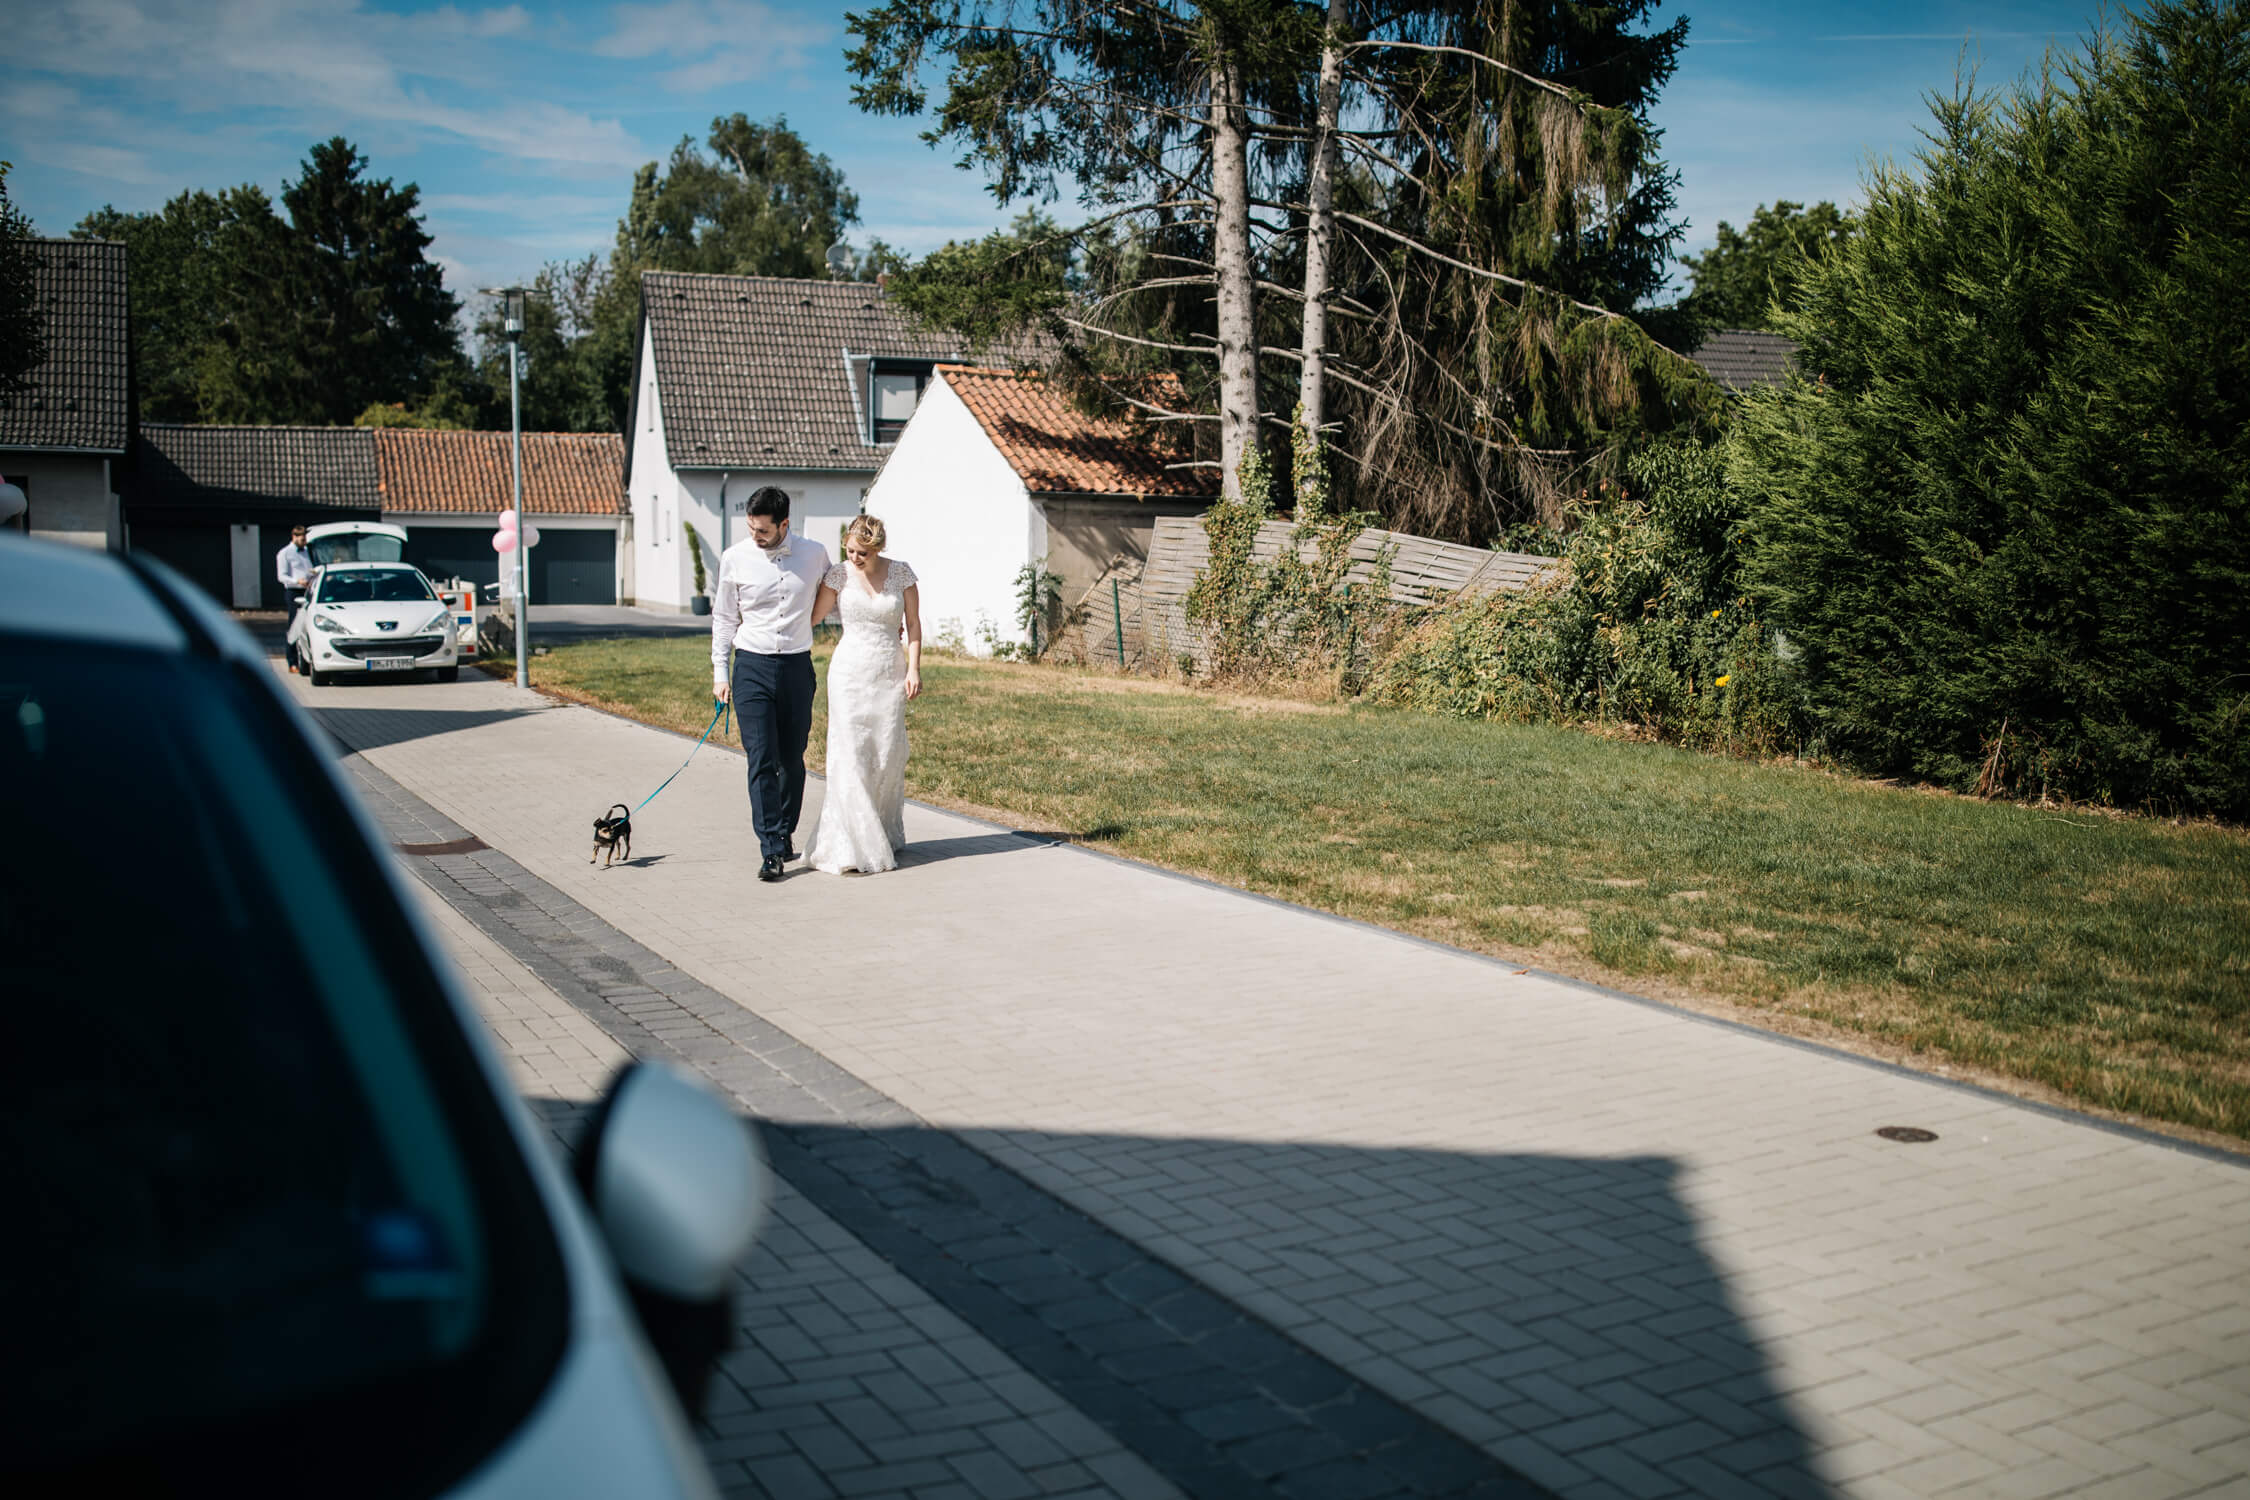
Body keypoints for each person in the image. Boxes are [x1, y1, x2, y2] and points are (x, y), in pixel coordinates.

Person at [711, 487, 830, 883]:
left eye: (763, 530)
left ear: (784, 524)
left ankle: (784, 827)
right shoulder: (735, 558)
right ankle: (772, 847)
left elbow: (837, 595)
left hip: (797, 666)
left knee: (792, 758)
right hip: (751, 667)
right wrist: (720, 673)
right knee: (760, 757)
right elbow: (725, 618)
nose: (756, 537)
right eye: (751, 528)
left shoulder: (814, 555)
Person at [803, 515, 922, 875]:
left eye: (863, 553)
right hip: (849, 673)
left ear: (878, 548)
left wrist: (914, 668)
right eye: (851, 550)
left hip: (889, 670)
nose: (855, 557)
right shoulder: (838, 575)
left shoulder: (902, 574)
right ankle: (850, 843)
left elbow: (914, 624)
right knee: (851, 754)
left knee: (886, 754)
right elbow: (812, 617)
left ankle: (881, 830)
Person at [276, 525, 313, 670]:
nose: (304, 541)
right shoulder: (284, 553)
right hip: (293, 592)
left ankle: (306, 657)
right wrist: (297, 581)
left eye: (305, 538)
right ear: (294, 537)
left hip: (308, 591)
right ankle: (292, 661)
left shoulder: (307, 552)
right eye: (301, 538)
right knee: (294, 625)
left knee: (308, 624)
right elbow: (281, 576)